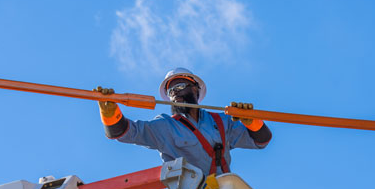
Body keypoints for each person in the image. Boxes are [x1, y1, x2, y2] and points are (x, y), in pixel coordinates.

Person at [95, 68, 272, 176]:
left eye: (179, 87)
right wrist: (110, 112)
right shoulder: (165, 127)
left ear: (195, 89)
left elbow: (261, 140)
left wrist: (252, 121)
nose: (175, 94)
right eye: (171, 91)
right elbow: (124, 132)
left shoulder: (221, 122)